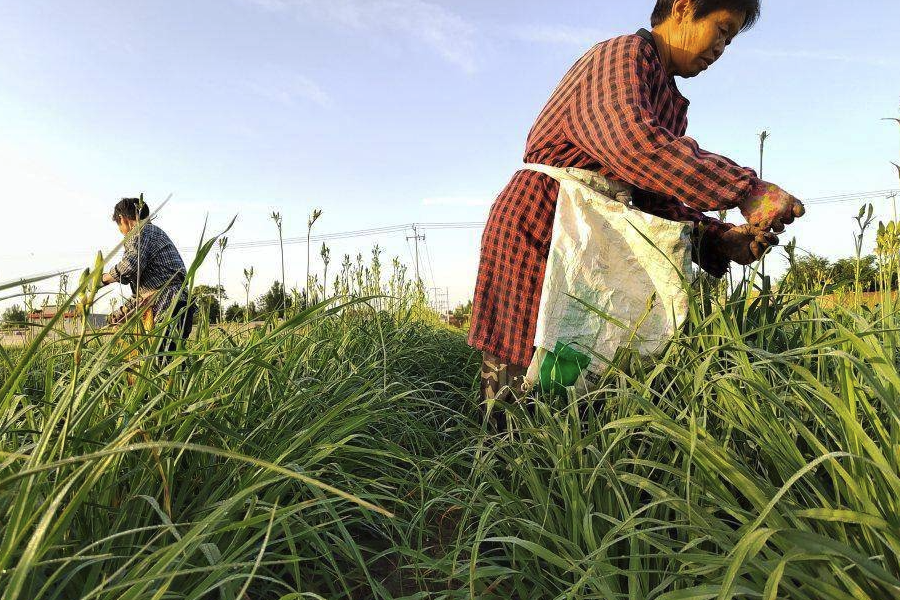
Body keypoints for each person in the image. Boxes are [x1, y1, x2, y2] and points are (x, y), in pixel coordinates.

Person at [469, 0, 805, 402]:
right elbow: (636, 145)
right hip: (547, 219)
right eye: (721, 29)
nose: (721, 49)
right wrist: (747, 190)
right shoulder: (621, 55)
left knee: (572, 371)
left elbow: (655, 199)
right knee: (522, 365)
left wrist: (717, 238)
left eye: (729, 41)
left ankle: (559, 462)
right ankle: (499, 458)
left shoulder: (668, 101)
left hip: (594, 230)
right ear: (683, 8)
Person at [101, 197, 194, 355]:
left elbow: (129, 265)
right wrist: (118, 315)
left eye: (119, 225)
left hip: (168, 305)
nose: (121, 232)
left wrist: (103, 279)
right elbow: (143, 294)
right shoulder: (151, 235)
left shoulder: (142, 231)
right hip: (176, 303)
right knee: (170, 364)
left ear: (122, 219)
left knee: (163, 360)